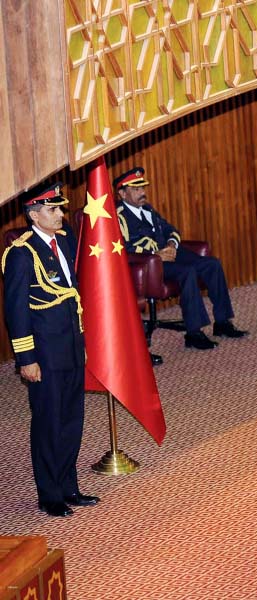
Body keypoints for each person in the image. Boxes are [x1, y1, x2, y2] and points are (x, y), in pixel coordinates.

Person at [1, 183, 99, 517]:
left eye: (60, 208)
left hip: (71, 345)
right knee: (48, 422)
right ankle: (50, 493)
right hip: (44, 353)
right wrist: (26, 359)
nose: (60, 214)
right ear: (33, 214)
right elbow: (16, 312)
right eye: (53, 209)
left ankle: (69, 486)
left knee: (72, 419)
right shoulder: (20, 254)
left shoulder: (66, 240)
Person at [114, 167, 248, 350]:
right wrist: (156, 254)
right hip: (151, 264)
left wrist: (171, 244)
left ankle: (223, 322)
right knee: (188, 272)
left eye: (142, 188)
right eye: (136, 190)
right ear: (122, 193)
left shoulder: (147, 209)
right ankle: (194, 333)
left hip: (170, 253)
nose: (143, 193)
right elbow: (125, 247)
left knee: (212, 264)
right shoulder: (119, 216)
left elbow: (172, 230)